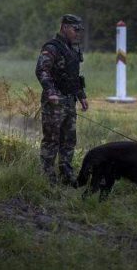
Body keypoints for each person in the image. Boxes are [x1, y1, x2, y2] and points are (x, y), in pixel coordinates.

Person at [35, 14, 89, 186]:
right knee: (52, 139)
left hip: (70, 100)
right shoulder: (52, 47)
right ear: (64, 27)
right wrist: (50, 92)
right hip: (55, 102)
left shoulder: (73, 48)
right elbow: (42, 70)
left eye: (80, 30)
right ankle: (47, 176)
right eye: (75, 29)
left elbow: (73, 76)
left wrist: (81, 96)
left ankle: (66, 174)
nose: (78, 33)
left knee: (69, 140)